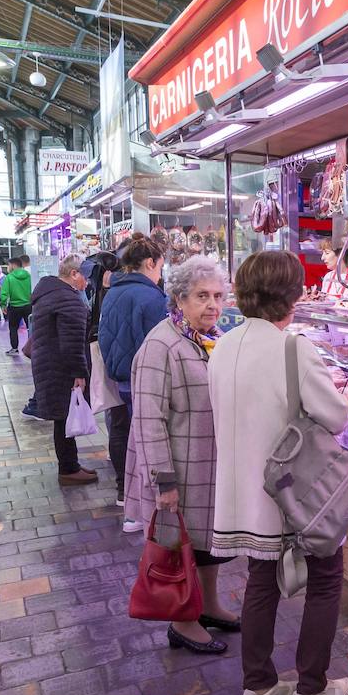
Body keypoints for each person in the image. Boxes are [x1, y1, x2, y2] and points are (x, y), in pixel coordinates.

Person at [211, 251, 348, 695]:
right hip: (295, 494)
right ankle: (311, 690)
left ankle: (258, 688)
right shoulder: (293, 348)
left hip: (244, 492)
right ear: (291, 296)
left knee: (260, 582)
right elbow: (335, 416)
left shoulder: (223, 344)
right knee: (326, 578)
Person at [124, 257, 236, 655]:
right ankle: (182, 620)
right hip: (177, 468)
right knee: (177, 544)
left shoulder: (211, 337)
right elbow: (148, 418)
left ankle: (208, 605)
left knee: (207, 541)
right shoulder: (161, 344)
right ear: (179, 298)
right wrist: (163, 480)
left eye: (219, 296)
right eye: (202, 296)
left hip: (207, 463)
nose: (212, 305)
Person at [98, 233, 168, 530]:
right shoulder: (151, 297)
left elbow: (105, 335)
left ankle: (130, 505)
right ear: (150, 262)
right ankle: (144, 511)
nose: (160, 273)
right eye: (160, 267)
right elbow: (160, 345)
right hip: (144, 380)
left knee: (131, 439)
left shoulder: (113, 292)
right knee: (148, 444)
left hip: (121, 377)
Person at [29, 253, 97, 486]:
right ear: (73, 274)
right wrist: (79, 372)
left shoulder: (48, 292)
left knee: (63, 417)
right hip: (61, 368)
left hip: (48, 364)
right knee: (64, 416)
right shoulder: (68, 299)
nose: (87, 283)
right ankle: (68, 469)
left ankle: (71, 464)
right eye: (85, 277)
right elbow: (72, 342)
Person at [2, 256, 33, 354]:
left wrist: (3, 305)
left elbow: (4, 293)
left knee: (13, 328)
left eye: (9, 265)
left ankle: (14, 348)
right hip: (28, 305)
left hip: (14, 306)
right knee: (30, 327)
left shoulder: (9, 277)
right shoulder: (28, 275)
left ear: (13, 265)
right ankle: (32, 348)